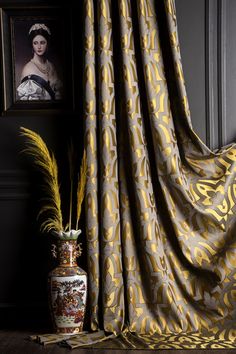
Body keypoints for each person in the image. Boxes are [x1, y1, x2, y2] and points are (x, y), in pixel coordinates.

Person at [17, 23, 63, 101]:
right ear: (32, 45)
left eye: (42, 43)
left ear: (47, 44)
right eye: (35, 43)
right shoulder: (28, 69)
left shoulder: (51, 66)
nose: (39, 47)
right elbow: (32, 107)